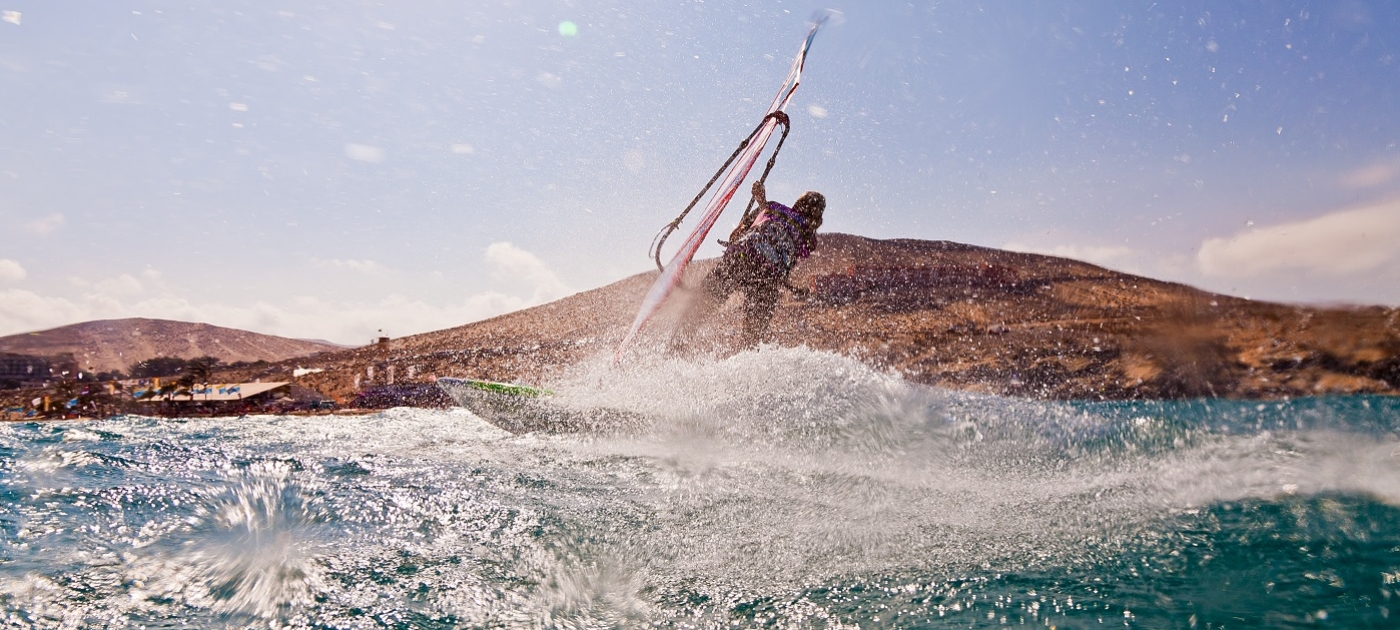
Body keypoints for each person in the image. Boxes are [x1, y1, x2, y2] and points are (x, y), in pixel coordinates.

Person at [674, 181, 826, 350]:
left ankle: (675, 348)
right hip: (768, 278)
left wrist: (761, 202)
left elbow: (735, 235)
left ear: (797, 203)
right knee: (751, 341)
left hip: (742, 257)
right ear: (817, 218)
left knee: (700, 307)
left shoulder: (773, 207)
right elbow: (793, 251)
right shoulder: (809, 237)